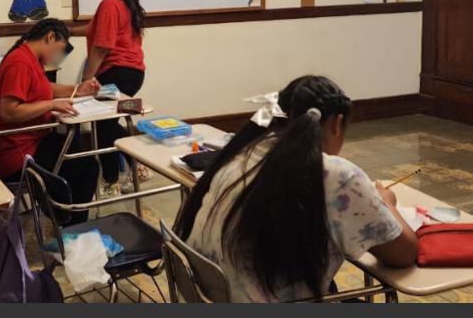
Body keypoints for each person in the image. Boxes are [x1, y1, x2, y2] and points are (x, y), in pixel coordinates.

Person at [175, 75, 418, 302]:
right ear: (337, 124)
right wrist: (386, 202)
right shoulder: (335, 175)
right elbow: (404, 254)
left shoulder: (241, 153)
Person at [0, 18, 100, 222]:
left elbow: (44, 88)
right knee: (86, 166)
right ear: (50, 37)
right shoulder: (20, 63)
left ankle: (64, 214)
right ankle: (71, 226)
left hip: (26, 142)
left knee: (75, 150)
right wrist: (51, 105)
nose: (58, 58)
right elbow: (8, 112)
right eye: (59, 50)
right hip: (14, 154)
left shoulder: (28, 58)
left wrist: (77, 90)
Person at [80, 0, 148, 195]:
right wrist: (63, 30)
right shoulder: (123, 0)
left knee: (103, 126)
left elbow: (101, 47)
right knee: (110, 122)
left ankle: (112, 181)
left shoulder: (109, 4)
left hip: (117, 73)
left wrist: (87, 79)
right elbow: (94, 31)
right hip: (133, 73)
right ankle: (136, 165)